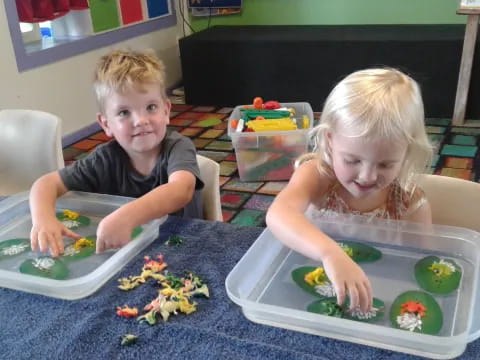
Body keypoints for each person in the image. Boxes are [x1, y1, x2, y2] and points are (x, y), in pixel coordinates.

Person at [266, 68, 433, 313]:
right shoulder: (317, 175)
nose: (367, 176)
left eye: (385, 164)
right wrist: (329, 253)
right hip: (307, 290)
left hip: (378, 298)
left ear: (407, 151)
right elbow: (278, 214)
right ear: (330, 140)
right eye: (352, 160)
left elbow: (422, 267)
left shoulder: (410, 203)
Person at [30, 50, 204, 257]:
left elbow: (180, 190)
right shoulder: (103, 159)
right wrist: (43, 219)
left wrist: (126, 217)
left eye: (151, 107)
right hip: (130, 250)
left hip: (184, 247)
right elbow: (46, 184)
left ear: (166, 111)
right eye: (124, 112)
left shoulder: (178, 147)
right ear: (106, 124)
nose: (140, 120)